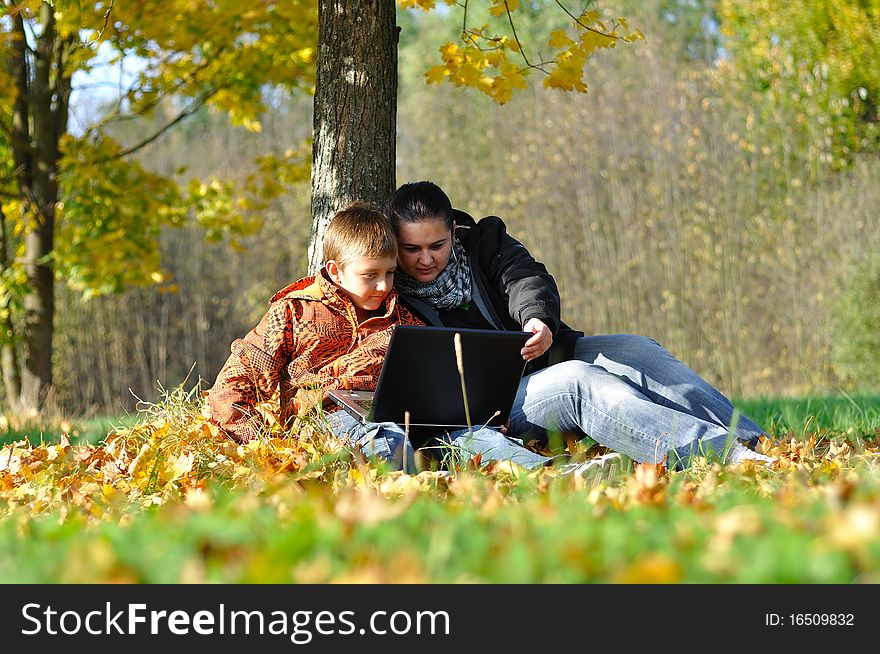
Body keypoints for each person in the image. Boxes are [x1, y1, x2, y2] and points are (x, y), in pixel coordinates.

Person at [385, 181, 775, 470]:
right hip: (494, 408)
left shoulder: (485, 240)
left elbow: (523, 276)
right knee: (578, 379)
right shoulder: (389, 293)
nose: (425, 260)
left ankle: (757, 442)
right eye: (412, 249)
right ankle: (721, 455)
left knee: (638, 350)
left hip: (545, 354)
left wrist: (537, 317)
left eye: (436, 246)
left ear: (454, 232)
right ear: (394, 244)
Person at [205, 202, 549, 473]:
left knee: (474, 438)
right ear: (336, 270)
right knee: (384, 439)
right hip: (330, 418)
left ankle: (546, 477)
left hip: (409, 418)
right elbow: (235, 380)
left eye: (389, 273)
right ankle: (411, 495)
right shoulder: (294, 312)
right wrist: (265, 444)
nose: (384, 286)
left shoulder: (405, 316)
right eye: (370, 276)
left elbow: (438, 381)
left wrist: (470, 412)